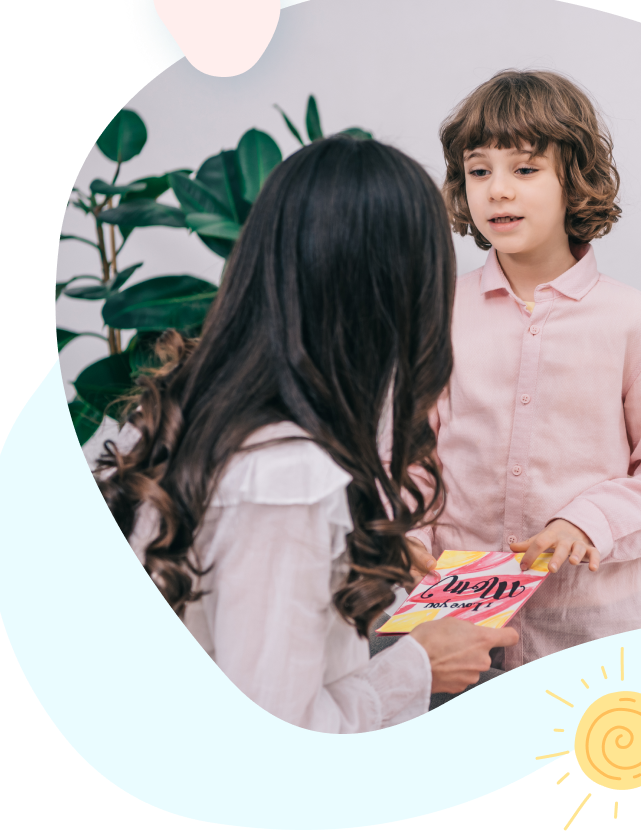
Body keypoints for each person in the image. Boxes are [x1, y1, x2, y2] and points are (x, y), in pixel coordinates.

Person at [94, 135, 518, 733]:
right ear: (398, 297)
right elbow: (274, 742)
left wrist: (367, 563)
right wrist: (420, 666)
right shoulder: (283, 482)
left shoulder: (214, 410)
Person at [403, 70, 641, 670]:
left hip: (591, 624)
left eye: (524, 169)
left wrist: (586, 523)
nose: (498, 191)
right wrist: (405, 538)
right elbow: (412, 454)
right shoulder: (437, 311)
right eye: (479, 170)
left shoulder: (633, 321)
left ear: (575, 179)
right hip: (455, 613)